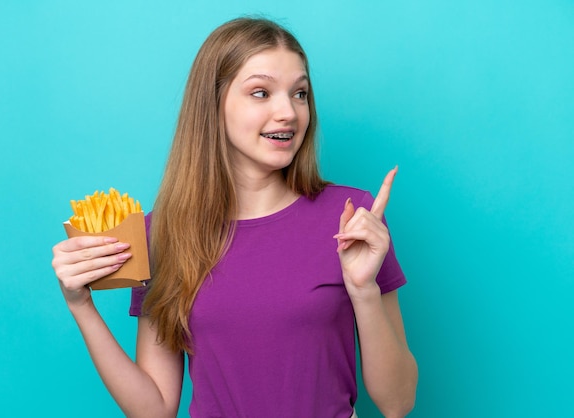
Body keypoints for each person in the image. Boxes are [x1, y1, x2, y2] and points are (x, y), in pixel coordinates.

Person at [51, 17, 417, 418]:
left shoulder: (351, 218)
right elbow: (154, 409)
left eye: (300, 94)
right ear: (214, 104)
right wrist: (80, 304)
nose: (289, 112)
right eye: (261, 93)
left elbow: (398, 403)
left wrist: (363, 291)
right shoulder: (163, 234)